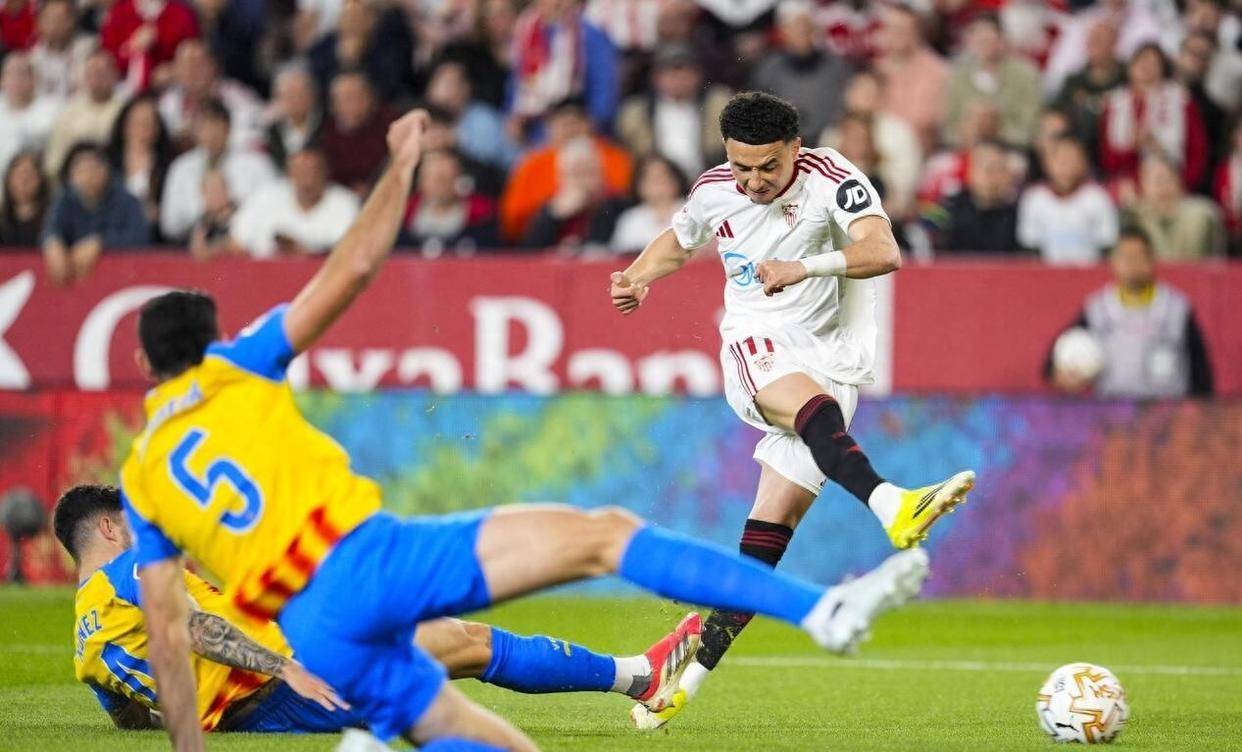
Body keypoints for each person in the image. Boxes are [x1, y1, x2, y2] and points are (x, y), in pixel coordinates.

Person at [115, 107, 929, 752]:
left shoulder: (142, 477)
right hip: (373, 562)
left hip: (313, 635)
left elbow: (167, 631)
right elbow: (354, 267)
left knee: (472, 690)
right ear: (214, 342)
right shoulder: (240, 365)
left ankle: (387, 735)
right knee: (605, 537)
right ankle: (820, 609)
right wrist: (401, 164)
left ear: (148, 368)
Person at [607, 92, 974, 730]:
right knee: (814, 407)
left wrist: (804, 267)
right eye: (741, 166)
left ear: (796, 150)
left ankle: (681, 680)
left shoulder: (833, 176)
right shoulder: (714, 190)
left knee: (764, 545)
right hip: (756, 348)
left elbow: (884, 251)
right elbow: (680, 240)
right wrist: (637, 275)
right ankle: (892, 503)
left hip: (831, 363)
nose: (753, 181)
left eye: (768, 167)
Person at [54, 484, 705, 734]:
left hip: (256, 712)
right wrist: (280, 667)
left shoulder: (86, 643)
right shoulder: (130, 570)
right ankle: (640, 677)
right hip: (287, 679)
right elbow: (193, 628)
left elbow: (130, 717)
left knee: (431, 665)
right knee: (465, 642)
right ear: (110, 528)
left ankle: (637, 677)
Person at [1046, 227, 1213, 398]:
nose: (1131, 264)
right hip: (1112, 406)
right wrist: (1062, 373)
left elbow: (1201, 370)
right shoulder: (1098, 308)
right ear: (1113, 262)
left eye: (1137, 256)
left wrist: (1201, 406)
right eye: (1124, 257)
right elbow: (1053, 361)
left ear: (1151, 261)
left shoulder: (1176, 308)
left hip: (1167, 406)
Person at [499, 97, 632, 242]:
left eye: (574, 123)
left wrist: (596, 201)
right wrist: (552, 213)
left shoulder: (614, 158)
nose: (570, 131)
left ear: (589, 124)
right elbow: (512, 223)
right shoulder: (531, 165)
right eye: (563, 124)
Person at [160, 99, 276, 242]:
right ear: (194, 132)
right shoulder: (181, 168)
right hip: (191, 245)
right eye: (204, 127)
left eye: (217, 126)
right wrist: (205, 215)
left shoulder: (257, 164)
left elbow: (271, 211)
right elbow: (169, 225)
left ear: (229, 129)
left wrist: (234, 213)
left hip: (245, 244)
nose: (211, 134)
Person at [1098, 44, 1208, 194]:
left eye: (1154, 63)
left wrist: (1182, 185)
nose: (1146, 66)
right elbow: (1107, 160)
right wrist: (1133, 147)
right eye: (1142, 60)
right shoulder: (1114, 104)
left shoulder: (1181, 101)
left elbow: (1198, 152)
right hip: (1127, 188)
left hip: (1172, 187)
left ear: (1163, 71)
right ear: (1130, 66)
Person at [615, 43, 731, 180]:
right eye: (671, 73)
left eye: (685, 73)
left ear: (698, 75)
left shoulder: (719, 104)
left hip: (710, 180)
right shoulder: (635, 112)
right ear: (656, 78)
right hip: (657, 183)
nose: (678, 80)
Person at [42, 143, 150, 285]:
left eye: (94, 169)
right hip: (73, 278)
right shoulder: (64, 199)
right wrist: (52, 242)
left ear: (106, 171)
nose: (89, 176)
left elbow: (140, 237)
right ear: (71, 176)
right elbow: (51, 229)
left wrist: (100, 243)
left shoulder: (126, 200)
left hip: (119, 278)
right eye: (82, 171)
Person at [748, 0, 851, 144]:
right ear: (783, 31)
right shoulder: (768, 68)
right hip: (781, 140)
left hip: (828, 141)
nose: (802, 31)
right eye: (795, 26)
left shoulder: (835, 66)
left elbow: (845, 105)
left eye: (806, 25)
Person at [229, 147, 360, 258]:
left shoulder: (346, 204)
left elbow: (353, 255)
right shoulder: (265, 197)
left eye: (313, 171)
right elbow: (235, 244)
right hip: (264, 274)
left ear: (326, 172)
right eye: (299, 171)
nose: (307, 179)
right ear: (289, 173)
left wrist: (304, 253)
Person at [942, 13, 1042, 149]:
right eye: (979, 40)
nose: (984, 45)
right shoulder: (958, 76)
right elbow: (948, 128)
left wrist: (996, 130)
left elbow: (1031, 126)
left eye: (989, 39)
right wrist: (967, 130)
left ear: (1002, 39)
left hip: (1010, 149)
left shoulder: (1025, 74)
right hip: (964, 147)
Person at [1017, 136, 1118, 265]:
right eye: (1060, 158)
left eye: (1071, 158)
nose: (1065, 164)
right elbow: (1030, 247)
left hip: (1089, 272)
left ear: (1083, 163)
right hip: (1046, 273)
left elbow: (1107, 245)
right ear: (1047, 163)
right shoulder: (1033, 199)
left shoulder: (1097, 198)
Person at [157, 39, 264, 151]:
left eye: (198, 64)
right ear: (175, 70)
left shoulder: (240, 98)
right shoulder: (167, 102)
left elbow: (253, 139)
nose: (191, 71)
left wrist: (205, 139)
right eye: (184, 65)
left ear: (214, 66)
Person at [523, 137, 626, 251]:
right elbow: (528, 252)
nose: (583, 181)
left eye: (588, 172)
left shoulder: (617, 204)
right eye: (576, 174)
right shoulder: (551, 208)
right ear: (561, 178)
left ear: (601, 174)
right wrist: (554, 216)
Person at [1121, 153, 1226, 261]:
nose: (1162, 187)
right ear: (1142, 186)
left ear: (1179, 181)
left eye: (1167, 179)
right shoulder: (1134, 217)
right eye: (1156, 181)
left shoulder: (1202, 215)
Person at [423, 60, 519, 171]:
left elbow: (489, 153)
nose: (441, 91)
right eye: (437, 83)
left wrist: (453, 139)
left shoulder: (481, 117)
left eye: (448, 84)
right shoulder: (433, 119)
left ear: (465, 89)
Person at [398, 148, 498, 254]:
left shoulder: (481, 219)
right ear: (421, 181)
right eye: (435, 179)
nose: (441, 186)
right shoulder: (402, 218)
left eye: (447, 178)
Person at [44, 49, 125, 177]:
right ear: (85, 76)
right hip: (73, 179)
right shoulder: (69, 111)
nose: (98, 78)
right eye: (93, 72)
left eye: (103, 72)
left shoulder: (125, 110)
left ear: (115, 75)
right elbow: (55, 157)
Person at [1053, 20, 1124, 161]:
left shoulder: (1127, 78)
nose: (1093, 45)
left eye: (1100, 40)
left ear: (1114, 44)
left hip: (1117, 149)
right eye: (1091, 40)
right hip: (1079, 150)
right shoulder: (1073, 81)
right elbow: (1058, 113)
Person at [319, 71, 397, 197]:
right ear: (333, 105)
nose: (353, 104)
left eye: (357, 96)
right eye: (345, 98)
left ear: (371, 98)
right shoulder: (325, 135)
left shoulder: (391, 124)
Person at [934, 140, 1020, 255]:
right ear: (971, 171)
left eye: (999, 170)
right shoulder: (948, 210)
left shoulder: (1016, 215)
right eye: (987, 169)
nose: (992, 177)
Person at [106, 93, 175, 230]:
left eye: (149, 123)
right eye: (137, 123)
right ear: (124, 125)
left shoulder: (169, 165)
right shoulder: (107, 161)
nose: (143, 129)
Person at [98, 0, 200, 92]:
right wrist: (132, 46)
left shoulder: (182, 15)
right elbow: (106, 57)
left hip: (171, 89)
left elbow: (194, 57)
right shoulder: (119, 12)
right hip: (122, 86)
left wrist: (173, 71)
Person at [610, 154, 687, 253]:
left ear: (676, 180)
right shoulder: (630, 219)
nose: (658, 183)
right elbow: (620, 255)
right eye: (650, 178)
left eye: (663, 176)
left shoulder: (693, 212)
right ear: (639, 185)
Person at [0, 52, 60, 177]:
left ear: (35, 79)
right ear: (2, 81)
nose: (17, 79)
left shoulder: (53, 110)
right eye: (11, 74)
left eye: (23, 73)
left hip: (36, 180)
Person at [27, 0, 96, 101]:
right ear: (39, 23)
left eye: (60, 19)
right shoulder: (32, 58)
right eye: (49, 20)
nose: (54, 26)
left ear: (73, 21)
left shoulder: (90, 49)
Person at [263, 63, 323, 171]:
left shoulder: (326, 127)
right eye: (289, 96)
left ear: (312, 96)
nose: (295, 101)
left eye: (300, 94)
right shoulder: (272, 131)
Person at [0, 151, 50, 247]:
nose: (24, 181)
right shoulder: (2, 218)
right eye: (19, 175)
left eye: (29, 176)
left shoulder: (52, 217)